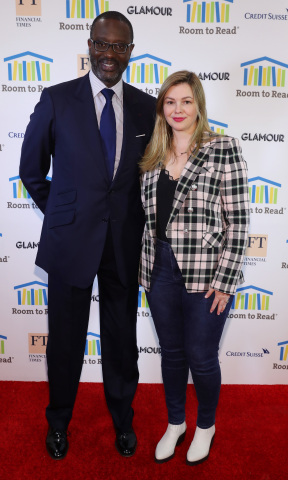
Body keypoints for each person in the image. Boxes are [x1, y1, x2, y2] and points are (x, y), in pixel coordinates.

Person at [19, 11, 156, 460]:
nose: (109, 54)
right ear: (89, 45)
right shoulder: (57, 99)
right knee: (65, 340)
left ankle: (123, 420)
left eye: (119, 46)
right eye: (102, 43)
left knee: (121, 343)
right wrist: (64, 217)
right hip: (69, 246)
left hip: (123, 247)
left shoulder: (144, 107)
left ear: (131, 51)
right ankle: (58, 422)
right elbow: (31, 171)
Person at [139, 71, 250, 465]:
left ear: (198, 105)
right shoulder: (152, 153)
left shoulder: (222, 148)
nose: (178, 109)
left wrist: (225, 281)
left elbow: (238, 221)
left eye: (186, 101)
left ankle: (205, 425)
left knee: (201, 356)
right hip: (159, 269)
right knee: (171, 353)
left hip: (208, 272)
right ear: (162, 109)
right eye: (170, 102)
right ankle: (175, 423)